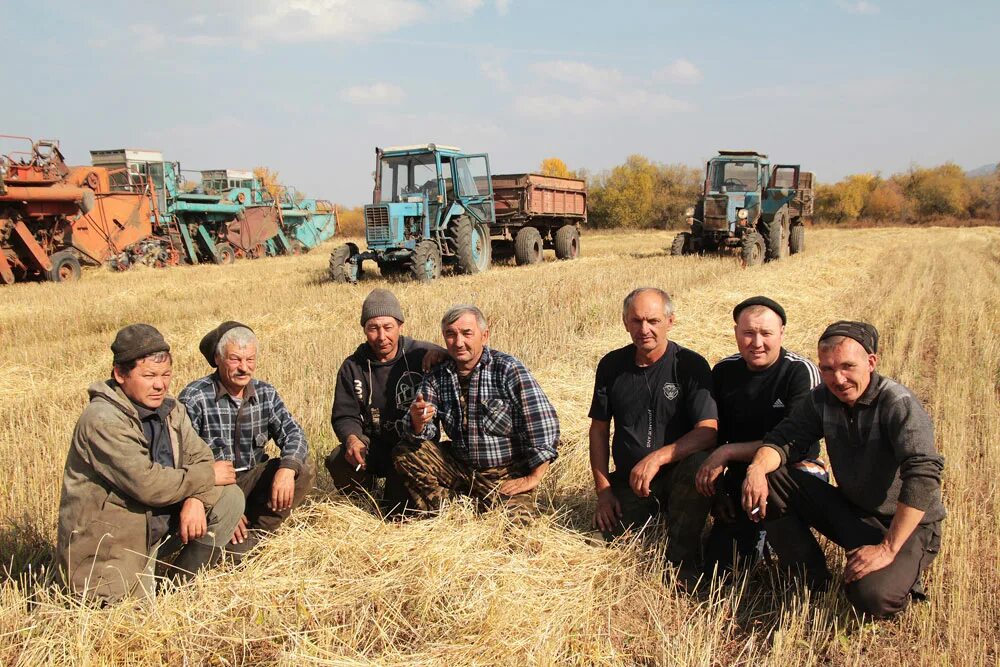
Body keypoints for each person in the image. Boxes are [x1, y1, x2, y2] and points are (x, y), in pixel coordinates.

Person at [742, 321, 946, 618]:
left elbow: (924, 474)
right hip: (855, 511)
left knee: (872, 597)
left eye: (847, 366)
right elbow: (784, 440)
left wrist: (888, 548)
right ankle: (811, 581)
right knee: (773, 478)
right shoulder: (822, 399)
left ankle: (900, 571)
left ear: (871, 362)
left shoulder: (897, 403)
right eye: (827, 369)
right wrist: (756, 469)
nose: (838, 379)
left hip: (908, 524)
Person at [56, 324, 244, 603]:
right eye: (149, 376)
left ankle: (179, 585)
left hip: (156, 525)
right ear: (120, 374)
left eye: (166, 375)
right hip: (115, 542)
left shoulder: (171, 409)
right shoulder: (102, 420)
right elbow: (148, 484)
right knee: (126, 622)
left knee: (229, 497)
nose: (160, 384)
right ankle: (138, 584)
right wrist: (205, 477)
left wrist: (195, 499)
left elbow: (201, 456)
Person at [588, 287, 718, 579]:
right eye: (636, 321)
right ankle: (646, 515)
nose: (644, 329)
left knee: (700, 463)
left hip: (678, 477)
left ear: (670, 321)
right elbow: (598, 431)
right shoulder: (611, 366)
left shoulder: (690, 365)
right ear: (625, 323)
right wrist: (604, 491)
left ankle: (682, 562)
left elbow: (708, 432)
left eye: (653, 321)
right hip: (631, 481)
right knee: (596, 543)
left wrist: (659, 458)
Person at [695, 296, 826, 574]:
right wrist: (718, 490)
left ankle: (794, 548)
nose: (756, 343)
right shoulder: (723, 371)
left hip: (790, 473)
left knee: (799, 575)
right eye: (748, 333)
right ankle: (748, 536)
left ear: (781, 333)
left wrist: (729, 452)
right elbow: (714, 436)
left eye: (766, 333)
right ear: (736, 333)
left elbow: (797, 440)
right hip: (740, 476)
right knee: (720, 569)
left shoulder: (800, 372)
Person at [393, 304, 559, 520]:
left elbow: (544, 424)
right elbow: (422, 433)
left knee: (518, 526)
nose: (459, 342)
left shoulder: (507, 369)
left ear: (484, 335)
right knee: (405, 452)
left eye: (466, 333)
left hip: (505, 474)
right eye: (451, 335)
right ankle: (450, 513)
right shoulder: (437, 376)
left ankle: (480, 507)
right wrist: (418, 421)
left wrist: (534, 477)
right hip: (461, 468)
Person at [179, 322, 315, 560]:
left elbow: (294, 433)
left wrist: (286, 469)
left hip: (251, 479)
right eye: (235, 360)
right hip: (214, 486)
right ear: (218, 359)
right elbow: (180, 458)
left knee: (303, 468)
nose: (244, 368)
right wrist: (225, 504)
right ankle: (227, 535)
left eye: (250, 359)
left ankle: (258, 533)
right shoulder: (195, 397)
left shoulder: (265, 393)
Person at [326, 289, 445, 513]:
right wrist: (353, 440)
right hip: (374, 446)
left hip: (413, 450)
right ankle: (365, 496)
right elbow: (345, 415)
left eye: (388, 327)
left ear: (400, 325)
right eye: (373, 328)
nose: (381, 337)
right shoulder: (353, 367)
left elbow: (461, 355)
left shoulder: (421, 353)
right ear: (364, 329)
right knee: (338, 460)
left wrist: (442, 353)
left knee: (398, 511)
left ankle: (396, 496)